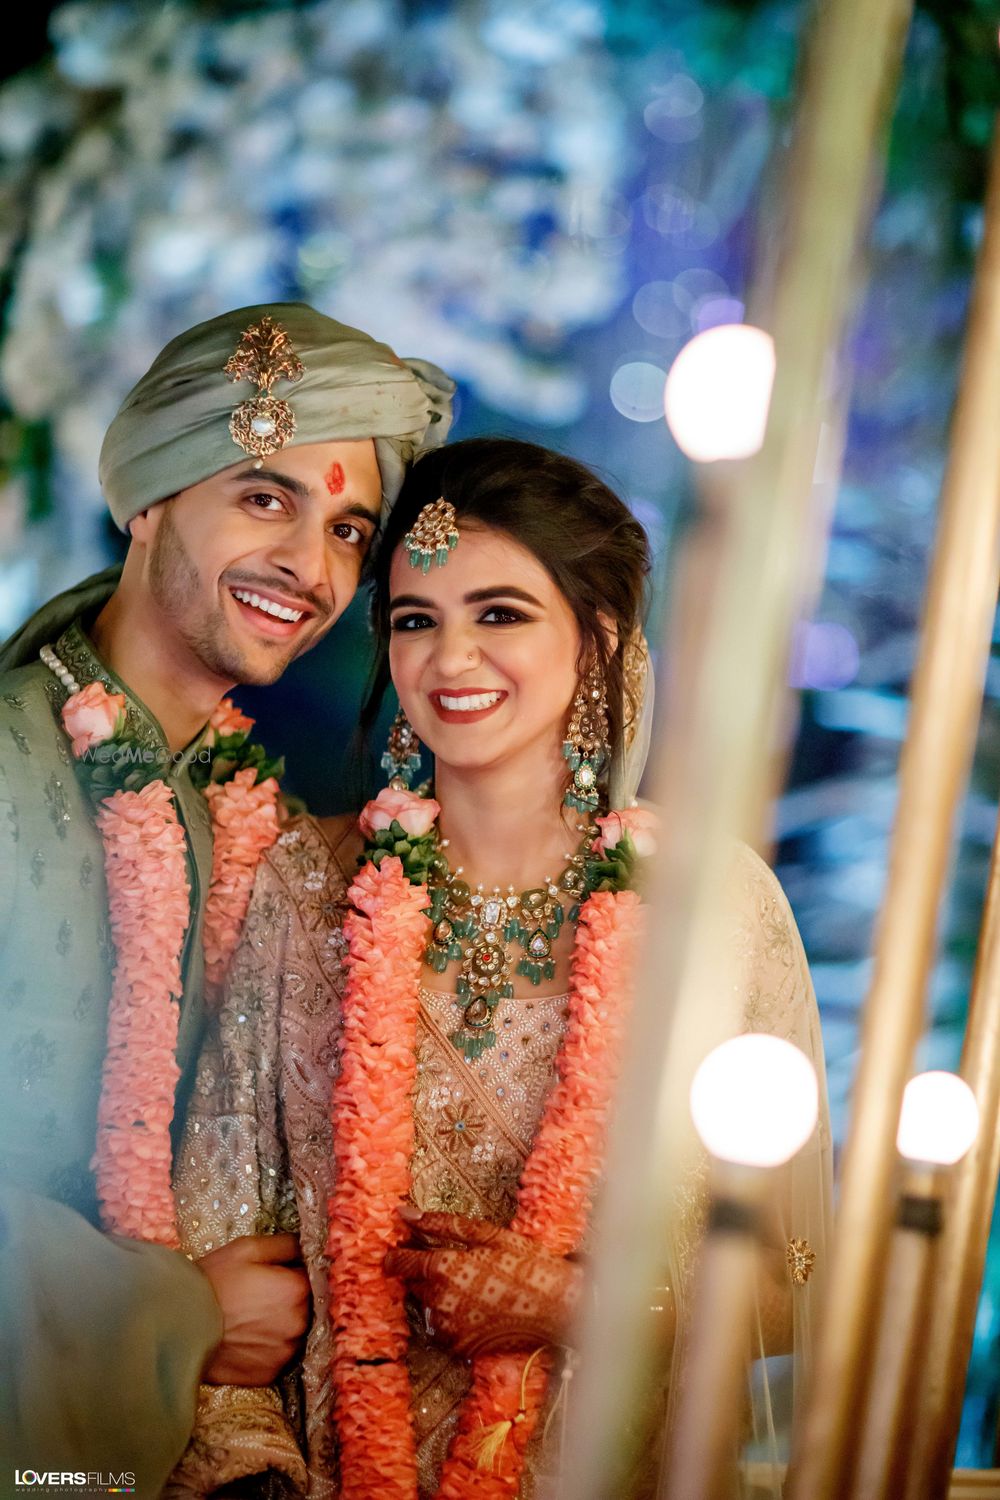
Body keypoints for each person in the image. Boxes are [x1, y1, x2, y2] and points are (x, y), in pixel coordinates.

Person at [174, 437, 831, 1498]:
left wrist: (589, 1307)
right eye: (415, 620)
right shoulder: (309, 887)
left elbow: (796, 1283)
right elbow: (221, 1253)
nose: (450, 660)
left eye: (501, 614)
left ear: (600, 641)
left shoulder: (708, 911)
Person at [0, 303, 453, 1495]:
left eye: (349, 528)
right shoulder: (5, 767)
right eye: (265, 498)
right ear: (148, 498)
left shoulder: (257, 812)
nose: (312, 569)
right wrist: (181, 1314)